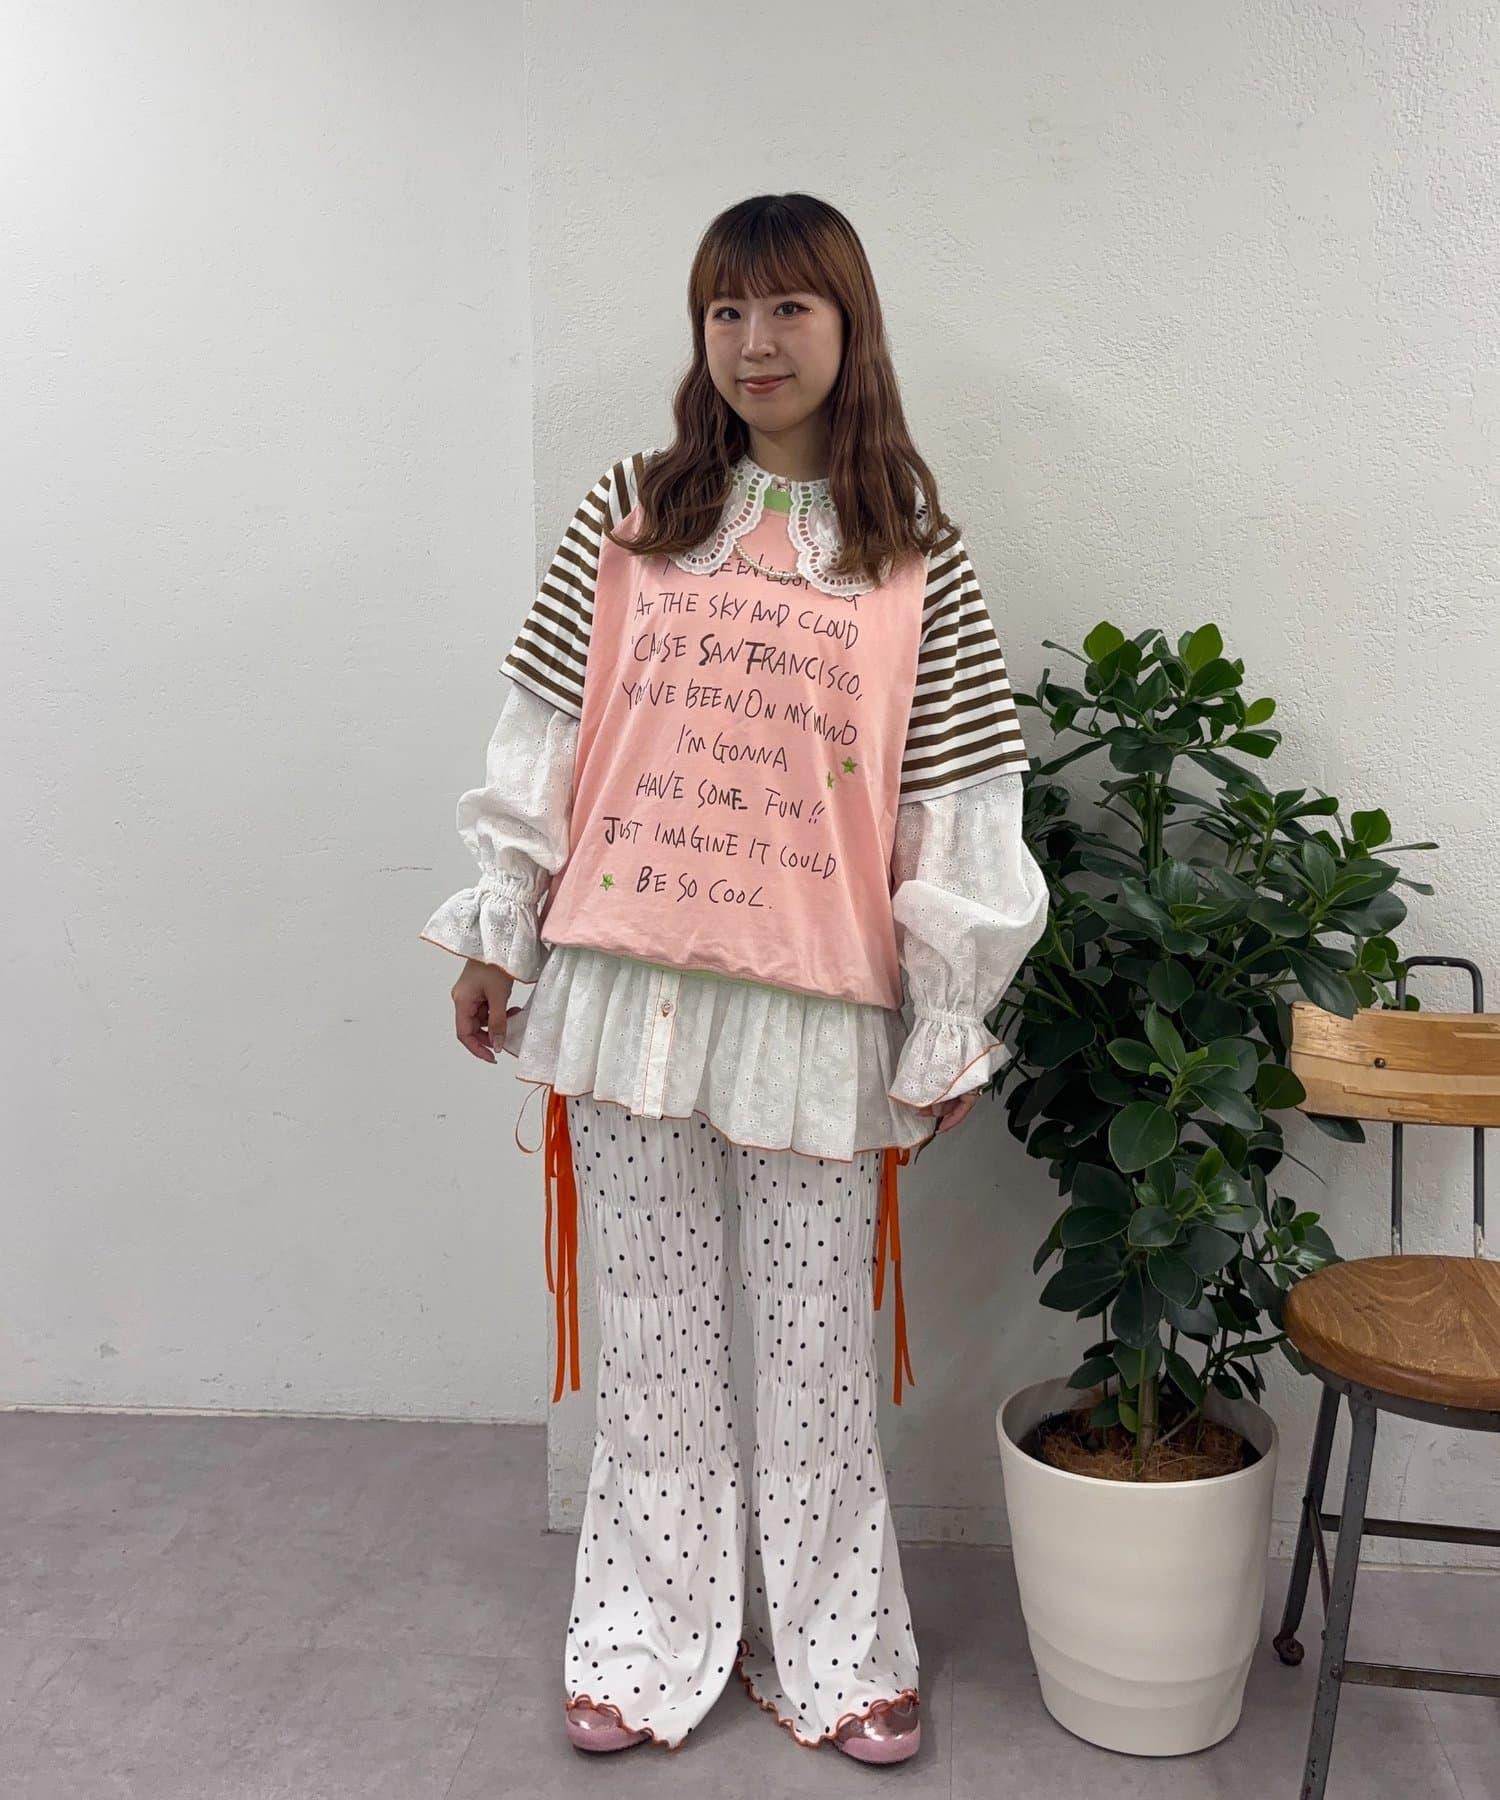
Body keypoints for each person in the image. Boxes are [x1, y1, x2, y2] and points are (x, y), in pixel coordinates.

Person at [419, 192, 1049, 1763]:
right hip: (624, 988)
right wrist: (501, 926)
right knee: (648, 1334)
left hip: (814, 1007)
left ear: (847, 324)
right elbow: (547, 735)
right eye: (726, 311)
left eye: (786, 309)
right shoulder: (632, 512)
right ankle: (641, 1643)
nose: (755, 343)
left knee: (818, 1344)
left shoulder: (916, 551)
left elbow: (956, 798)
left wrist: (947, 1013)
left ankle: (841, 1651)